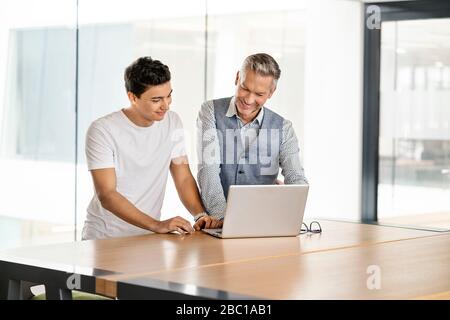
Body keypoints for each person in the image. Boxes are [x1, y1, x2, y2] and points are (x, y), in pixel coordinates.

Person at [82, 56, 221, 240]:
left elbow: (183, 178)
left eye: (169, 95)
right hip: (106, 237)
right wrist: (158, 225)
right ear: (132, 97)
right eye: (156, 99)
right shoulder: (102, 130)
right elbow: (107, 194)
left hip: (147, 237)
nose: (166, 105)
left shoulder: (173, 122)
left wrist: (200, 214)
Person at [197, 53, 308, 220]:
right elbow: (209, 170)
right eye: (245, 88)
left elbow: (296, 178)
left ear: (271, 92)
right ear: (237, 78)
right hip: (216, 222)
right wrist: (223, 219)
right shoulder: (210, 111)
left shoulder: (284, 128)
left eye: (259, 94)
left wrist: (290, 208)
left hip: (265, 221)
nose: (249, 100)